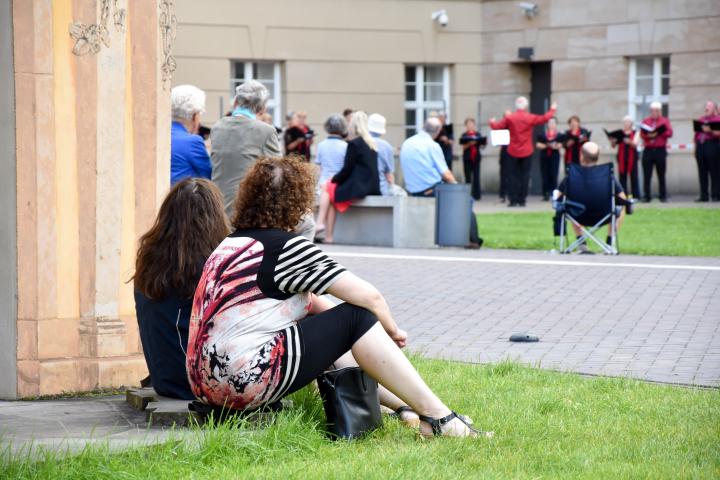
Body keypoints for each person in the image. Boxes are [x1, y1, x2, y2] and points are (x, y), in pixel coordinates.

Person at [186, 157, 486, 438]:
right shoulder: (287, 248)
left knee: (345, 325)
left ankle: (409, 408)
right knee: (359, 317)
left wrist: (351, 333)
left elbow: (317, 307)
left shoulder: (231, 244)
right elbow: (371, 297)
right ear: (298, 203)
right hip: (243, 383)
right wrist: (393, 331)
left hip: (205, 384)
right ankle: (440, 419)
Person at [133, 178, 229, 400]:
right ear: (215, 218)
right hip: (201, 385)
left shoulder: (150, 261)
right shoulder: (214, 265)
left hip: (165, 381)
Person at [400, 117, 483, 249]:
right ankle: (473, 240)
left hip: (412, 190)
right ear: (438, 131)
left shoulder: (407, 143)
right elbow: (446, 174)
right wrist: (458, 188)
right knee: (466, 200)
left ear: (423, 126)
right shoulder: (432, 146)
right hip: (430, 190)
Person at [210, 80, 281, 218]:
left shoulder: (217, 127)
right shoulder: (265, 131)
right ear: (262, 109)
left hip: (216, 207)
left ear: (236, 102)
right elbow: (279, 172)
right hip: (246, 209)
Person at [316, 111, 381, 243]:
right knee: (332, 193)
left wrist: (332, 180)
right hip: (372, 186)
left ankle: (320, 223)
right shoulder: (371, 143)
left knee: (329, 187)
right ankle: (328, 236)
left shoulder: (354, 144)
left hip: (359, 186)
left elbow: (347, 169)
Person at [556, 142, 629, 253]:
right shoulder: (608, 175)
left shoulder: (572, 175)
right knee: (621, 208)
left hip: (578, 216)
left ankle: (581, 243)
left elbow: (558, 198)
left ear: (581, 156)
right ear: (597, 157)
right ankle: (609, 243)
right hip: (604, 215)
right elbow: (623, 198)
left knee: (570, 205)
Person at [489, 96, 557, 207]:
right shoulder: (529, 117)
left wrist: (491, 122)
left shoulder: (511, 118)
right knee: (525, 176)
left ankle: (513, 199)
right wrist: (553, 109)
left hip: (513, 150)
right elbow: (545, 118)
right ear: (526, 106)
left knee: (512, 176)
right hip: (526, 150)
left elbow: (496, 126)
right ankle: (522, 200)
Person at [170, 85, 212, 185]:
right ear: (195, 116)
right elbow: (208, 178)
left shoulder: (160, 137)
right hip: (181, 199)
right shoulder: (193, 141)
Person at [640, 101, 673, 202]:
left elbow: (670, 133)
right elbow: (642, 134)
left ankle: (662, 195)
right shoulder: (646, 121)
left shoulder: (665, 121)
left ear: (660, 111)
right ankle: (647, 196)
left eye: (656, 111)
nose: (654, 113)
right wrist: (648, 135)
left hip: (660, 150)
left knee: (661, 174)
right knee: (647, 174)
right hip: (648, 149)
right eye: (652, 111)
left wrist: (658, 133)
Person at [609, 116, 641, 199]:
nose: (626, 124)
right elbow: (613, 145)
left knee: (634, 176)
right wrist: (612, 141)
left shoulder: (635, 132)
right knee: (622, 177)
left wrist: (629, 141)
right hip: (621, 157)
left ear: (631, 123)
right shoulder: (620, 133)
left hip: (632, 157)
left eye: (628, 122)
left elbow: (635, 144)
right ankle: (623, 196)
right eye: (625, 122)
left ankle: (636, 196)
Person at [694, 100, 720, 202]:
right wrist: (695, 148)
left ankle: (715, 194)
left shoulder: (717, 119)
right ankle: (703, 195)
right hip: (700, 145)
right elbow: (696, 134)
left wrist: (710, 130)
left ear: (714, 109)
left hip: (712, 145)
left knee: (714, 171)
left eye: (709, 106)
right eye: (706, 106)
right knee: (702, 172)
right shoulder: (701, 119)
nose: (707, 108)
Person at [368, 113, 399, 196]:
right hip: (382, 190)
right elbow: (389, 175)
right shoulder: (386, 146)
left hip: (361, 191)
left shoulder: (359, 143)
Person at [535, 117, 562, 201]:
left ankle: (554, 193)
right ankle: (545, 194)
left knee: (554, 174)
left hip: (554, 156)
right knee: (545, 175)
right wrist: (548, 145)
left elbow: (559, 145)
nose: (551, 125)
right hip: (544, 156)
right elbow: (538, 144)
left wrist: (554, 146)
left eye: (553, 123)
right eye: (550, 123)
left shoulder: (559, 135)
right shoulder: (542, 135)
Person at [459, 118, 485, 201]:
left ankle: (477, 195)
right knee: (468, 177)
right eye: (468, 124)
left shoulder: (478, 134)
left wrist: (481, 143)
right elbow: (463, 147)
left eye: (472, 124)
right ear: (466, 125)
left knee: (476, 177)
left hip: (476, 158)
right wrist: (470, 144)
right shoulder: (464, 135)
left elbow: (482, 145)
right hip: (467, 158)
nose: (470, 125)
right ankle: (468, 195)